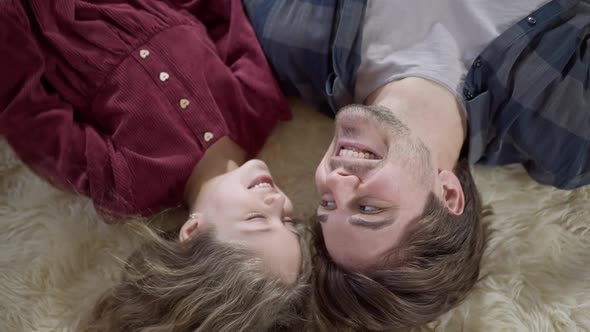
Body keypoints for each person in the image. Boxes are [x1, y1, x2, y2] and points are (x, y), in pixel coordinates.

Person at [244, 0, 590, 330]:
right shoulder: (567, 131)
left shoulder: (288, 36)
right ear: (448, 195)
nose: (336, 180)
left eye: (328, 203)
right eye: (368, 207)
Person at [1, 0, 310, 330]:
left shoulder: (129, 187)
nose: (279, 202)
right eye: (289, 220)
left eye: (257, 218)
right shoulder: (259, 105)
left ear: (193, 232)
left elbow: (34, 119)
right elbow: (222, 13)